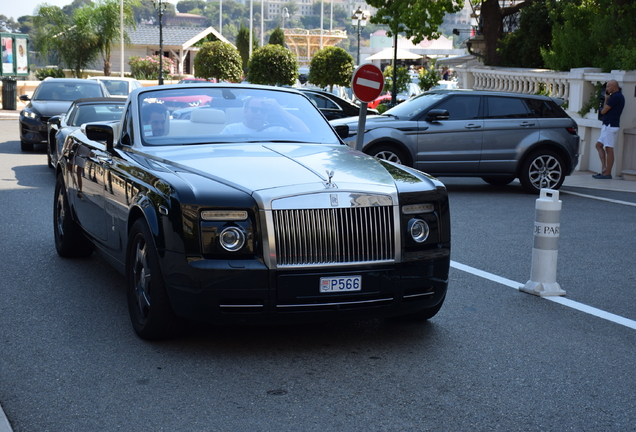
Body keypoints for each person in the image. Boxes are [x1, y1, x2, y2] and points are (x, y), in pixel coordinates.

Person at [221, 96, 309, 134]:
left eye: (263, 111)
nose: (259, 113)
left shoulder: (275, 131)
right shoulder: (231, 130)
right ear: (245, 111)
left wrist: (280, 110)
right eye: (255, 110)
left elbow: (305, 132)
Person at [593, 79, 625, 179]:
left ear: (614, 87)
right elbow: (604, 109)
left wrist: (606, 102)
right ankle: (604, 168)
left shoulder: (616, 97)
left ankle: (607, 173)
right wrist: (607, 99)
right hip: (607, 125)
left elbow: (603, 111)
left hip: (610, 126)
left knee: (609, 149)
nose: (607, 88)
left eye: (608, 87)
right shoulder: (613, 97)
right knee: (598, 145)